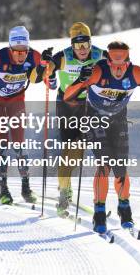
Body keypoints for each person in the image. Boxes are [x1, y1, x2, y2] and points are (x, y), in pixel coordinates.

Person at [64, 41, 140, 234]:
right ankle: (99, 212)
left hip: (119, 119)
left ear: (128, 61)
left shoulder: (136, 73)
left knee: (121, 167)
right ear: (108, 61)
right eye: (114, 66)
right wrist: (81, 80)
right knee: (104, 166)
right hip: (95, 118)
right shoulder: (98, 71)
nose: (119, 70)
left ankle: (124, 209)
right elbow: (68, 96)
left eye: (122, 65)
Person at [0, 25, 48, 205]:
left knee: (20, 143)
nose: (21, 55)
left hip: (16, 99)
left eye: (24, 51)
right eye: (17, 51)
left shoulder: (34, 56)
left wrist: (47, 71)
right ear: (10, 48)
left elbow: (50, 81)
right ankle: (3, 189)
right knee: (2, 143)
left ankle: (26, 187)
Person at [43, 22, 107, 217]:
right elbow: (49, 80)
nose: (82, 50)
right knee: (70, 150)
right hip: (67, 104)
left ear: (90, 43)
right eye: (77, 45)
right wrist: (47, 67)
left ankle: (86, 192)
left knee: (81, 151)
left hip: (90, 105)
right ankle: (64, 191)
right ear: (72, 45)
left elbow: (121, 65)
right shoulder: (63, 56)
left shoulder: (100, 55)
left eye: (85, 44)